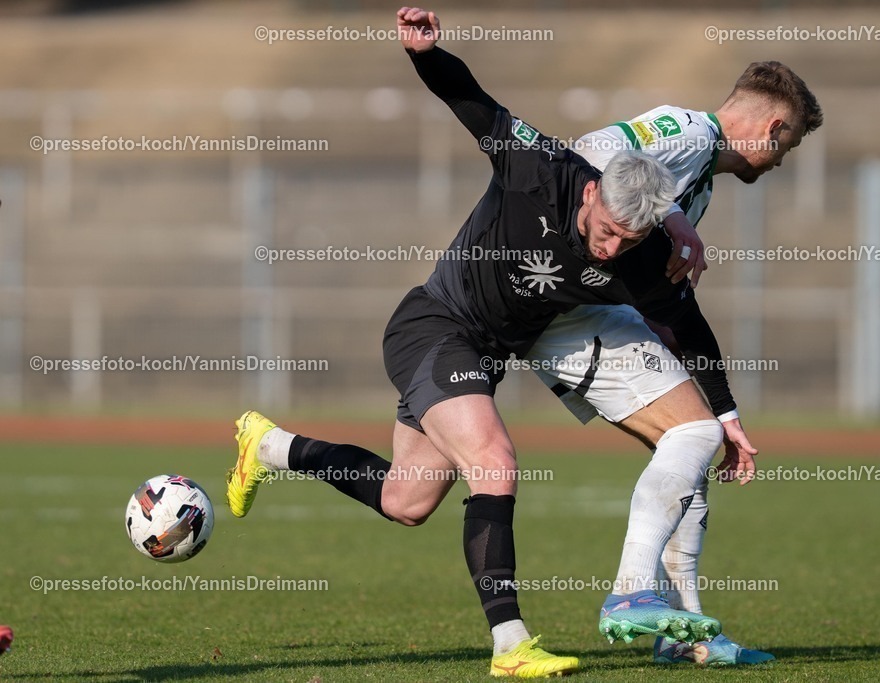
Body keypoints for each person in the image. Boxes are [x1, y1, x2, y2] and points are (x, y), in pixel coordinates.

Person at [225, 6, 735, 678]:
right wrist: (424, 54)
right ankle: (511, 643)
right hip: (433, 328)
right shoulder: (538, 166)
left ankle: (269, 444)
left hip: (482, 357)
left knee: (405, 501)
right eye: (606, 230)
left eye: (627, 241)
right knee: (494, 457)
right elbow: (472, 101)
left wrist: (725, 412)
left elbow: (687, 323)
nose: (610, 247)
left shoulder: (637, 252)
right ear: (590, 192)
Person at [526, 63, 822, 666]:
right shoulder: (686, 132)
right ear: (771, 128)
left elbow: (672, 307)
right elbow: (590, 152)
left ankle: (685, 635)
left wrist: (727, 411)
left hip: (588, 315)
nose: (780, 162)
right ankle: (635, 596)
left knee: (692, 452)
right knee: (692, 435)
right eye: (786, 147)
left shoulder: (702, 179)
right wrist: (670, 212)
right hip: (566, 317)